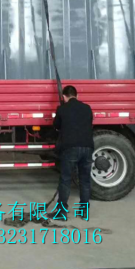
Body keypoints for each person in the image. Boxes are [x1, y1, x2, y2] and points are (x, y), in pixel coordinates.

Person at [52, 85, 94, 220]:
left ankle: (62, 213)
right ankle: (84, 212)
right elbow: (89, 123)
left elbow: (56, 126)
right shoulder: (87, 108)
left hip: (70, 148)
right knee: (85, 180)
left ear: (64, 97)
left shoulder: (62, 109)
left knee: (66, 180)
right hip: (87, 147)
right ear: (77, 95)